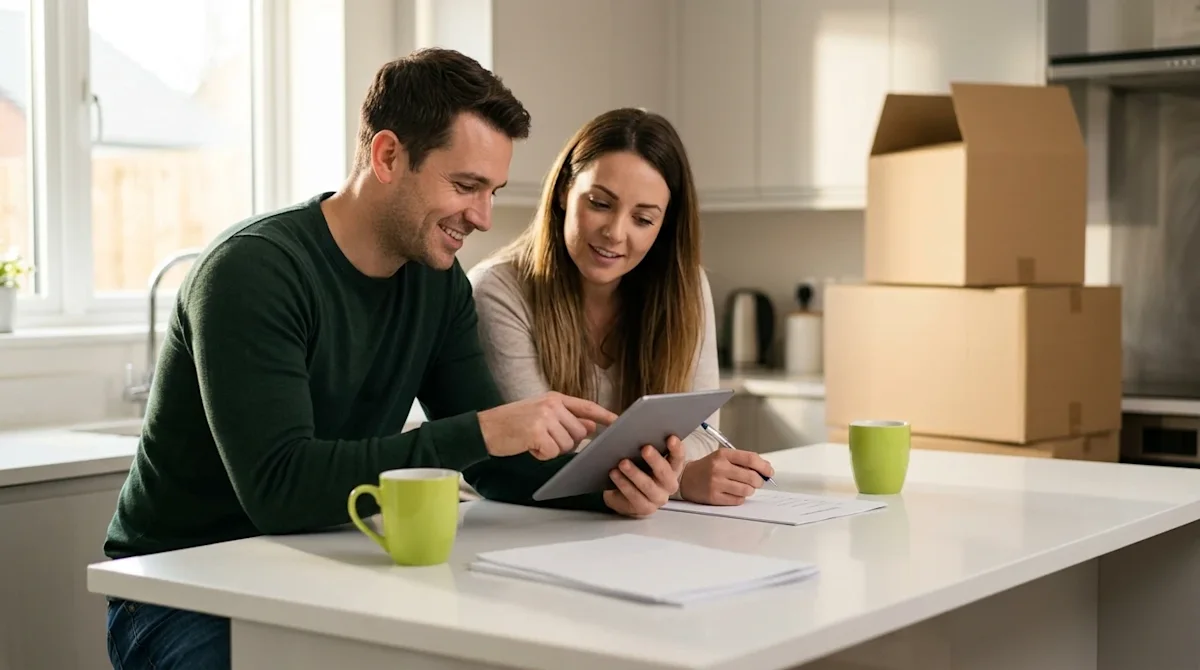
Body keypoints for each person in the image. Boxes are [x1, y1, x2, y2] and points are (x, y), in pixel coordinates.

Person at [101, 49, 685, 670]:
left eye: (492, 191)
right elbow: (281, 489)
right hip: (179, 590)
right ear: (386, 157)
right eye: (465, 186)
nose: (483, 217)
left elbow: (494, 464)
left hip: (323, 568)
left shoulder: (438, 286)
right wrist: (486, 429)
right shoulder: (253, 272)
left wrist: (607, 488)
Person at [464, 108, 775, 509]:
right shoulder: (498, 290)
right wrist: (679, 479)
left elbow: (700, 433)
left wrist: (672, 475)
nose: (615, 233)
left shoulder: (687, 287)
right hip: (519, 521)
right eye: (599, 203)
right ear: (563, 191)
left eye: (643, 219)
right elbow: (541, 454)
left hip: (633, 528)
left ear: (664, 226)